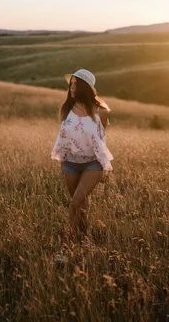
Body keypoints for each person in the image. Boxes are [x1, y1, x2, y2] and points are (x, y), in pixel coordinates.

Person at [51, 69, 113, 246]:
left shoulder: (101, 112)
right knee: (80, 205)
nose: (72, 87)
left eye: (76, 84)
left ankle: (66, 246)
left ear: (85, 87)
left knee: (74, 203)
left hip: (92, 164)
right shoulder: (67, 108)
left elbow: (101, 139)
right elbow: (63, 138)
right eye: (71, 83)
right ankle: (87, 239)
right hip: (70, 163)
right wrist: (62, 164)